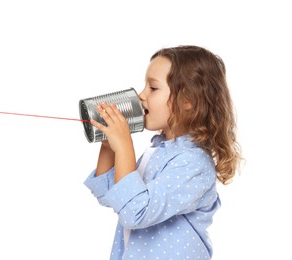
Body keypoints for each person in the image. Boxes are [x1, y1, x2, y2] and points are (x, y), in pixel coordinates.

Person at [83, 45, 242, 259]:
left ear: (188, 100)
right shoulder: (160, 149)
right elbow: (114, 196)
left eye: (153, 88)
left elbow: (134, 212)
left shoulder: (193, 163)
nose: (141, 95)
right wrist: (110, 147)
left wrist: (124, 147)